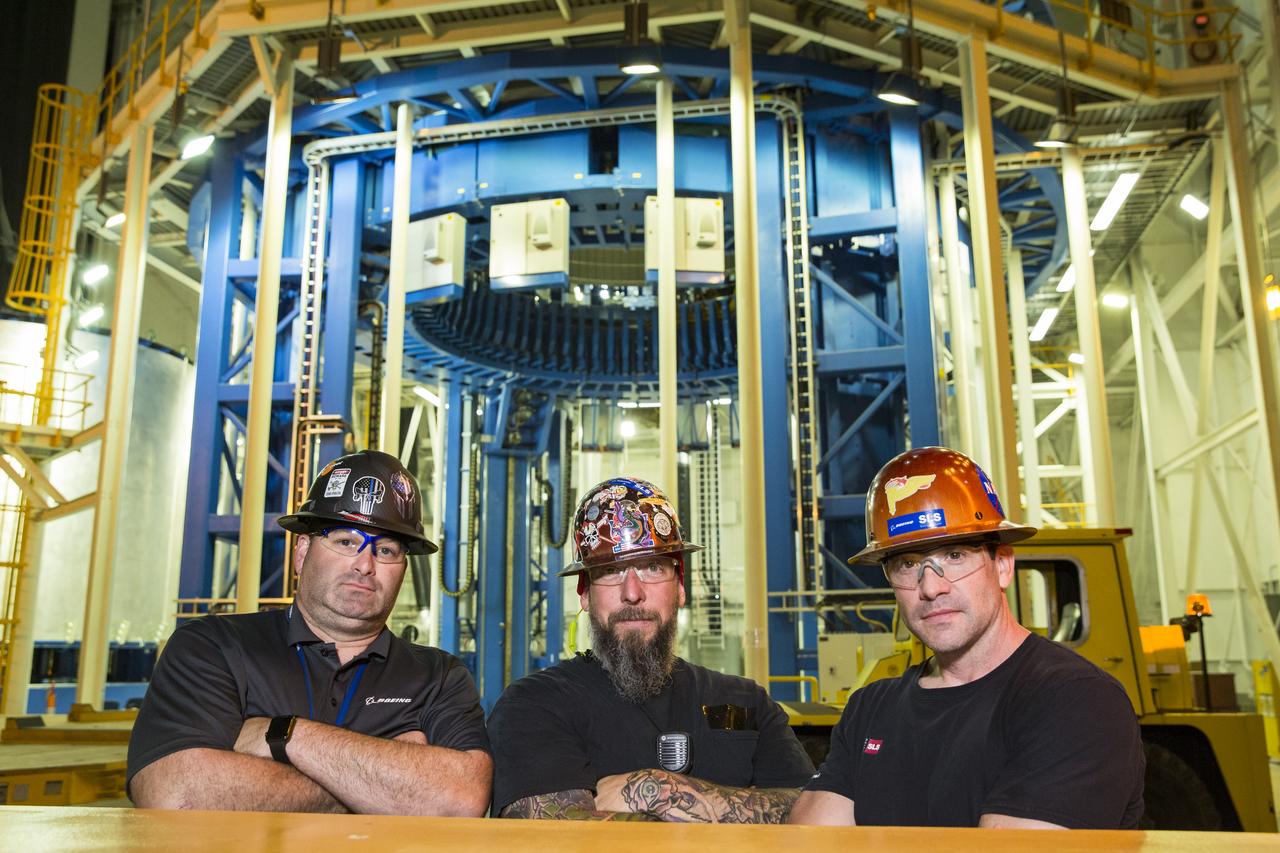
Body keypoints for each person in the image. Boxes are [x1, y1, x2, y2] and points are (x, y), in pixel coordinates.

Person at [789, 446, 1144, 829]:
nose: (930, 587)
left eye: (954, 556)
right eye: (908, 565)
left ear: (1003, 565)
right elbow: (812, 839)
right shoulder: (871, 707)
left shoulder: (1074, 699)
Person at [128, 450, 492, 815]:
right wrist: (386, 783)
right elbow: (177, 796)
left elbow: (462, 799)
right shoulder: (215, 647)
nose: (365, 564)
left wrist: (286, 736)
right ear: (302, 551)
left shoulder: (439, 676)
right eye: (346, 542)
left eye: (385, 550)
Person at [488, 477, 814, 822]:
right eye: (611, 571)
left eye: (652, 567)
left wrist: (657, 788)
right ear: (584, 593)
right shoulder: (535, 705)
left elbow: (812, 814)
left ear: (681, 587)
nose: (632, 593)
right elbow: (558, 835)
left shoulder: (746, 704)